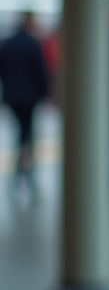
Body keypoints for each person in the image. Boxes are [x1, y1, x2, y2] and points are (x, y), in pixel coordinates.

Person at [0, 12, 50, 198]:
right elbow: (41, 72)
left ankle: (20, 176)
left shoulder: (7, 44)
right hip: (30, 99)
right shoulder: (33, 44)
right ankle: (26, 176)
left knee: (21, 136)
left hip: (13, 98)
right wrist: (47, 94)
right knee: (28, 136)